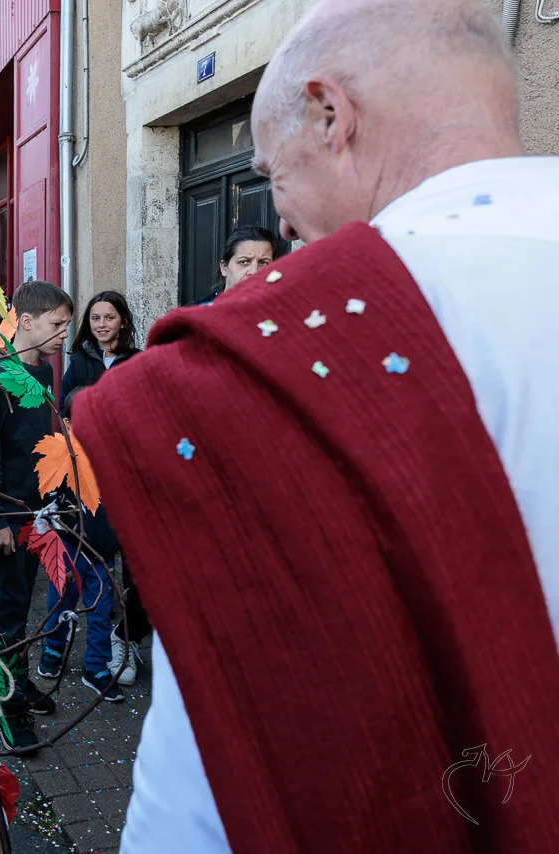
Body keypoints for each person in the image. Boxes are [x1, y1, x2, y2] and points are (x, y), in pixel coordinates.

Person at [74, 0, 559, 851]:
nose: (283, 220)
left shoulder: (268, 361)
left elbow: (198, 796)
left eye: (272, 171)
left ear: (333, 115)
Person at [0, 280, 73, 752]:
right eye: (57, 324)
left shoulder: (44, 371)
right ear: (27, 321)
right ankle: (8, 705)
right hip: (7, 517)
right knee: (8, 611)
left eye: (67, 325)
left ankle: (17, 679)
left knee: (21, 602)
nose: (63, 334)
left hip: (36, 512)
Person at [38, 290, 148, 689]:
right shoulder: (79, 362)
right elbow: (62, 411)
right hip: (79, 481)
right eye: (95, 318)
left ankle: (115, 647)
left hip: (118, 474)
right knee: (64, 588)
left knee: (114, 584)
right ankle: (54, 650)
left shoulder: (136, 361)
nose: (102, 324)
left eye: (109, 317)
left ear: (123, 321)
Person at [190, 226, 281, 306]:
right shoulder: (197, 312)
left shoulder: (280, 312)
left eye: (263, 263)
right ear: (224, 268)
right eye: (244, 262)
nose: (254, 271)